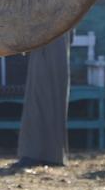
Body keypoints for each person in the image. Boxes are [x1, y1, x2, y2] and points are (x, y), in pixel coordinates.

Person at [12, 33, 71, 171]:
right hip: (46, 41)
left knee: (43, 97)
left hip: (51, 39)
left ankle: (43, 154)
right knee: (39, 97)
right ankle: (42, 153)